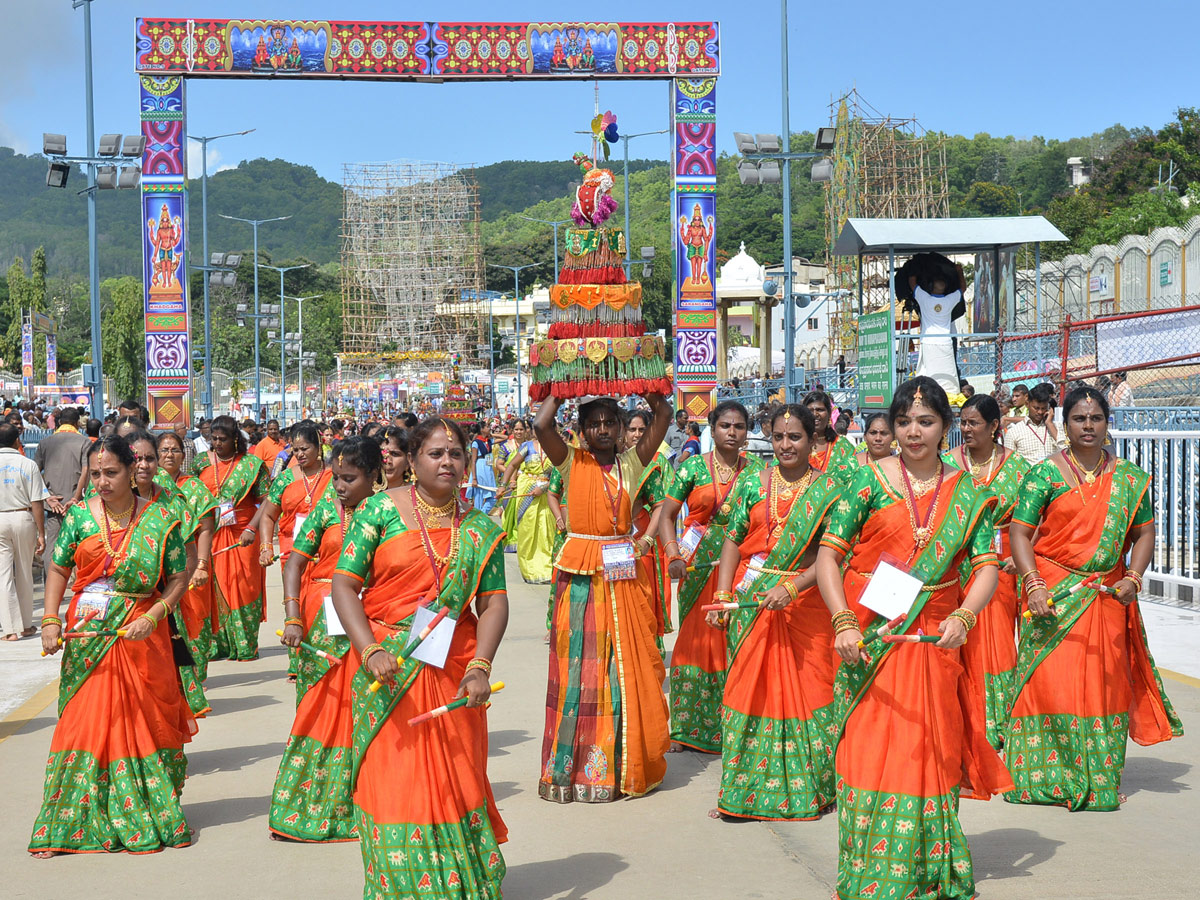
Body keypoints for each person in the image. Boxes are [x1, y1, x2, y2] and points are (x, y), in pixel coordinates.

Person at [814, 376, 1010, 900]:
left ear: (947, 427)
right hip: (870, 639)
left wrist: (965, 618)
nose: (913, 431)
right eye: (903, 422)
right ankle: (868, 872)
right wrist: (842, 621)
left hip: (934, 643)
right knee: (867, 749)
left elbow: (986, 568)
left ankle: (924, 871)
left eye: (926, 421)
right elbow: (828, 558)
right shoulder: (864, 481)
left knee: (928, 751)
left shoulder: (969, 493)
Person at [330, 418, 509, 898]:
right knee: (394, 781)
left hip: (454, 671)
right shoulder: (377, 512)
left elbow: (493, 603)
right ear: (411, 461)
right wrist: (368, 649)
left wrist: (480, 667)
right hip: (386, 673)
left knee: (456, 775)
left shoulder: (478, 529)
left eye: (455, 454)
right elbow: (344, 585)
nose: (447, 461)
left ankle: (457, 883)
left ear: (468, 462)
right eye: (435, 453)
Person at [1004, 386, 1181, 810]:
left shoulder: (1129, 479)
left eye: (1096, 418)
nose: (1088, 426)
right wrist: (1033, 584)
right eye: (1079, 419)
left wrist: (1134, 579)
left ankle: (1098, 778)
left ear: (1107, 423)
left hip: (1106, 597)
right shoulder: (1044, 475)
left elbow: (1144, 533)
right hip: (1052, 596)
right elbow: (1020, 533)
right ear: (1065, 425)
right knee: (1050, 684)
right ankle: (1043, 779)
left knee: (1104, 687)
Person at [30, 435, 193, 856]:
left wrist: (153, 616)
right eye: (96, 474)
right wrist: (49, 620)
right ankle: (67, 821)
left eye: (111, 473)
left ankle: (148, 811)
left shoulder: (161, 520)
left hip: (141, 635)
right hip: (89, 639)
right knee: (82, 722)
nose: (101, 482)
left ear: (132, 469)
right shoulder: (80, 517)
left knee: (140, 721)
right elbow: (59, 569)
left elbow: (177, 579)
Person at [534, 392, 673, 802]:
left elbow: (663, 412)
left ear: (620, 429)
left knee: (622, 665)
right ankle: (569, 770)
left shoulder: (633, 462)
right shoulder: (570, 461)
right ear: (581, 430)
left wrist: (649, 383)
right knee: (578, 663)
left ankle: (619, 766)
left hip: (621, 568)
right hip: (579, 571)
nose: (602, 429)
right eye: (593, 423)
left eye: (609, 422)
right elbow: (542, 426)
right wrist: (561, 388)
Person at [711, 404, 842, 819]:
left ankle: (813, 788)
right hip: (752, 602)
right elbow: (733, 540)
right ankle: (744, 791)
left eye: (795, 437)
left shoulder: (831, 488)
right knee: (747, 689)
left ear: (812, 439)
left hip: (806, 603)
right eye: (779, 437)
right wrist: (722, 591)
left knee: (812, 689)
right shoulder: (752, 481)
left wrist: (792, 586)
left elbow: (834, 553)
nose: (786, 445)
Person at [270, 436, 382, 843]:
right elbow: (295, 563)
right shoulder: (324, 510)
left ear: (374, 476)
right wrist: (293, 615)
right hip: (324, 624)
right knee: (319, 711)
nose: (338, 487)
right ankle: (304, 809)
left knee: (365, 710)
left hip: (374, 625)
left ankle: (366, 805)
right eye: (336, 477)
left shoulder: (390, 511)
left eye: (349, 479)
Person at [659, 400, 763, 754]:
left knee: (734, 640)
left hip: (741, 568)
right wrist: (673, 553)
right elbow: (667, 514)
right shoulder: (691, 468)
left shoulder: (759, 472)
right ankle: (686, 728)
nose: (732, 433)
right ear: (712, 429)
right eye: (725, 426)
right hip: (697, 565)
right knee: (693, 642)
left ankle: (732, 725)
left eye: (738, 427)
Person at [943, 394, 1031, 747]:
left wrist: (1022, 558)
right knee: (954, 640)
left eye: (973, 423)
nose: (966, 429)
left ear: (995, 426)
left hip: (1000, 565)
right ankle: (958, 724)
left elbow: (1035, 519)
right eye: (963, 422)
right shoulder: (948, 463)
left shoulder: (1019, 467)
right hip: (954, 562)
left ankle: (993, 725)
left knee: (995, 641)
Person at [193, 415, 269, 660]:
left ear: (235, 439)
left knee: (243, 586)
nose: (217, 443)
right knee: (212, 586)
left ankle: (246, 645)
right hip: (208, 534)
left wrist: (253, 529)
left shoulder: (252, 465)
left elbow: (268, 500)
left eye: (222, 439)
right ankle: (217, 646)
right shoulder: (200, 462)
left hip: (242, 533)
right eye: (213, 439)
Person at [157, 431, 218, 691]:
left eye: (175, 450)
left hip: (193, 564)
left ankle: (196, 677)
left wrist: (201, 564)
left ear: (184, 455)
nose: (169, 454)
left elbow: (205, 527)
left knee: (196, 620)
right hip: (161, 569)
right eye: (164, 450)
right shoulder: (147, 485)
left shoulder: (194, 486)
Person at [0, 423, 47, 640]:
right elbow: (36, 501)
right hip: (23, 516)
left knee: (4, 576)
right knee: (25, 573)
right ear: (17, 440)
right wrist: (41, 533)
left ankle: (10, 630)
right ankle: (27, 625)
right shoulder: (27, 464)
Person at [497, 421, 556, 584]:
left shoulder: (555, 447)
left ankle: (547, 569)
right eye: (537, 428)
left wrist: (543, 487)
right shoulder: (527, 446)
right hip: (527, 493)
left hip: (548, 493)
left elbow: (560, 471)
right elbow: (512, 465)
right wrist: (503, 486)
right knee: (528, 530)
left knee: (547, 531)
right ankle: (531, 570)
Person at [34, 406, 90, 573]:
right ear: (77, 423)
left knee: (51, 547)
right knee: (82, 546)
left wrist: (47, 497)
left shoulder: (44, 443)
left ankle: (50, 588)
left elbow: (34, 472)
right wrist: (75, 498)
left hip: (54, 505)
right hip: (77, 506)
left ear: (59, 423)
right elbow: (86, 471)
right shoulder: (84, 442)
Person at [804, 390, 856, 480]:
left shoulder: (843, 446)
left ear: (829, 414)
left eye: (820, 410)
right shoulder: (795, 444)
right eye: (810, 410)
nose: (815, 414)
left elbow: (853, 480)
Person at [495, 419, 530, 551]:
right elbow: (499, 464)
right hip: (510, 484)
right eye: (516, 429)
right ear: (511, 431)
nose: (519, 432)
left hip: (526, 483)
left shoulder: (530, 446)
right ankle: (510, 539)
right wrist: (510, 474)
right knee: (510, 511)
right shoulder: (506, 446)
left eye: (521, 429)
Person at [1005, 382, 1061, 464]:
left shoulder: (1056, 427)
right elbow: (1009, 464)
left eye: (1044, 408)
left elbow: (1065, 449)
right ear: (1027, 404)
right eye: (1036, 408)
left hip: (1054, 474)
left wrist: (1049, 424)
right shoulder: (1014, 432)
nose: (1040, 412)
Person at [466, 421, 497, 514]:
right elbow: (473, 460)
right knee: (479, 495)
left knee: (493, 496)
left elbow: (505, 437)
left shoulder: (489, 441)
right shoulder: (476, 442)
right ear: (482, 429)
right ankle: (478, 515)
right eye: (487, 427)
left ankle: (481, 514)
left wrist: (490, 435)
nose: (489, 428)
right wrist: (474, 478)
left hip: (488, 468)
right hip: (480, 467)